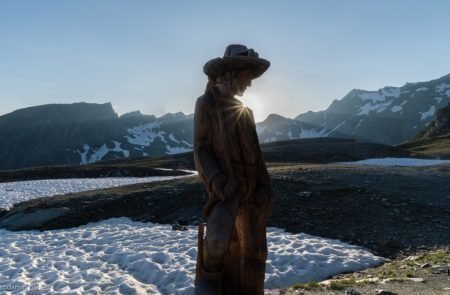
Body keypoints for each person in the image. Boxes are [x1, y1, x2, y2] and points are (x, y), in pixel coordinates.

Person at [193, 44, 274, 295]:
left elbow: (257, 156)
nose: (248, 84)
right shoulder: (206, 104)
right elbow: (201, 148)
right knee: (217, 242)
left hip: (251, 190)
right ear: (229, 73)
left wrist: (264, 186)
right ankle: (209, 286)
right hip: (225, 191)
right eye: (245, 77)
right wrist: (216, 179)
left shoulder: (246, 113)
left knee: (255, 250)